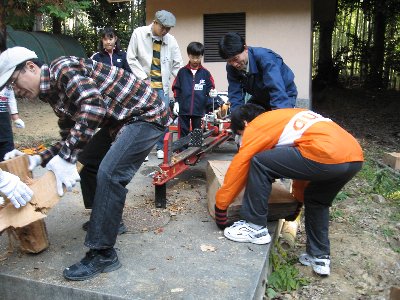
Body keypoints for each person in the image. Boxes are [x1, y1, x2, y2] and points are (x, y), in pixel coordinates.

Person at [0, 46, 170, 281]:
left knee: (110, 174)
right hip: (119, 122)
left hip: (146, 115)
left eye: (15, 82)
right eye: (11, 88)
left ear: (31, 67)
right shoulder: (52, 95)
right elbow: (71, 136)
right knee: (88, 161)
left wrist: (67, 157)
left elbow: (93, 107)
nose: (16, 91)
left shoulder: (62, 69)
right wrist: (38, 158)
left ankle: (103, 254)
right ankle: (109, 220)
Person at [214, 103, 364, 276]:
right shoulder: (286, 118)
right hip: (353, 157)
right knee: (317, 200)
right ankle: (319, 256)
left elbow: (241, 164)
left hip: (326, 153)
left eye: (240, 135)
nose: (242, 139)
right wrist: (297, 202)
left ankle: (254, 227)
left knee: (259, 162)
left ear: (245, 123)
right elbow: (303, 168)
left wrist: (221, 205)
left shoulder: (258, 124)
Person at [127, 9, 183, 159]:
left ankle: (160, 147)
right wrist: (143, 77)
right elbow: (131, 58)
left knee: (162, 118)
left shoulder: (171, 40)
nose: (165, 31)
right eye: (162, 27)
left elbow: (178, 65)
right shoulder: (139, 33)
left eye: (168, 29)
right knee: (141, 117)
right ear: (155, 22)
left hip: (162, 87)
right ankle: (141, 150)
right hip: (143, 84)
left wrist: (184, 82)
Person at [218, 32, 298, 112]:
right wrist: (236, 117)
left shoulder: (265, 58)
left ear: (245, 49)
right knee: (245, 116)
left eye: (236, 59)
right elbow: (235, 93)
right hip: (260, 97)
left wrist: (278, 114)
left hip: (284, 93)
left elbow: (276, 89)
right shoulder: (231, 67)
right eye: (229, 61)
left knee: (279, 118)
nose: (234, 64)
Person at [172, 42, 217, 138]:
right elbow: (176, 87)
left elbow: (210, 87)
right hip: (184, 108)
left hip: (199, 109)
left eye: (198, 57)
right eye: (193, 57)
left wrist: (212, 92)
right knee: (183, 132)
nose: (195, 60)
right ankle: (182, 151)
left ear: (202, 56)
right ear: (188, 55)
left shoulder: (206, 73)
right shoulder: (182, 72)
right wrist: (176, 102)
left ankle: (197, 152)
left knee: (198, 133)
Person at [0, 86, 25, 161]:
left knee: (8, 154)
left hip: (4, 126)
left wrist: (16, 117)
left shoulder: (7, 85)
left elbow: (11, 100)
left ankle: (7, 169)